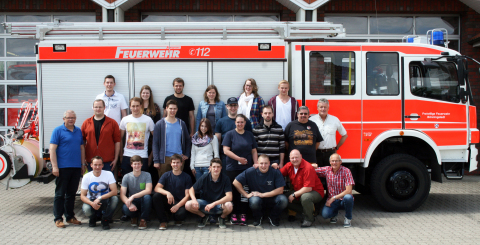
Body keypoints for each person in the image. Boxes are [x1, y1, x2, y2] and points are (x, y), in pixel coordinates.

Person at [50, 110, 84, 228]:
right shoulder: (58, 131)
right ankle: (58, 218)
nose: (71, 119)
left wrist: (82, 164)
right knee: (60, 194)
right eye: (68, 117)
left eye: (73, 118)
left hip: (75, 167)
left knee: (71, 194)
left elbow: (82, 148)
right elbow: (52, 149)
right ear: (63, 118)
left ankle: (70, 217)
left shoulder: (78, 131)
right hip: (62, 168)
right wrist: (54, 166)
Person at [222, 114, 258, 226]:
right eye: (238, 122)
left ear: (245, 123)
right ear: (235, 123)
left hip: (246, 168)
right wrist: (238, 159)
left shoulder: (249, 135)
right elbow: (225, 151)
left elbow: (254, 151)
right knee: (233, 192)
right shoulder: (230, 134)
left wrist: (256, 163)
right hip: (232, 168)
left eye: (242, 122)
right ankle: (233, 214)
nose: (240, 124)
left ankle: (243, 214)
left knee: (244, 192)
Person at [232, 155, 287, 226]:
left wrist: (262, 195)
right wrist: (246, 194)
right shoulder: (251, 171)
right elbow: (235, 182)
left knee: (283, 200)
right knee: (254, 201)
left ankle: (273, 217)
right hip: (257, 198)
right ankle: (258, 217)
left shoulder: (275, 171)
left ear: (269, 163)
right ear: (257, 163)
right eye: (261, 163)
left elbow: (280, 190)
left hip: (272, 198)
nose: (263, 166)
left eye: (266, 163)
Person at [280, 149, 324, 227]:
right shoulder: (288, 165)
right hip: (300, 191)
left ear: (301, 157)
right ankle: (308, 212)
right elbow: (278, 175)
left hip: (315, 192)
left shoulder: (308, 167)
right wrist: (271, 169)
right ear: (289, 158)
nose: (294, 160)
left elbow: (308, 188)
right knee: (282, 199)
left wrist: (294, 194)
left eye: (296, 157)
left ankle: (309, 219)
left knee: (305, 197)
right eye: (292, 158)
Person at [185, 158, 233, 229]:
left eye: (218, 167)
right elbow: (191, 189)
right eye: (214, 167)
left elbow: (229, 197)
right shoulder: (204, 177)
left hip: (219, 206)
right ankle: (203, 217)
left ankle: (222, 218)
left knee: (229, 205)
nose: (216, 169)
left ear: (221, 168)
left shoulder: (225, 179)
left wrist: (214, 204)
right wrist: (194, 199)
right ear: (210, 168)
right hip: (206, 205)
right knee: (188, 205)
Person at [152, 154, 192, 230]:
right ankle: (163, 221)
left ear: (181, 163)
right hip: (168, 201)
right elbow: (157, 188)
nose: (175, 164)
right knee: (156, 196)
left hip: (179, 203)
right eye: (173, 162)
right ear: (171, 164)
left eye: (177, 162)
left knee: (181, 215)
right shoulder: (166, 175)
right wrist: (167, 193)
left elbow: (187, 196)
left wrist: (177, 206)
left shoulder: (187, 177)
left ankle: (176, 218)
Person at [153, 100, 191, 179]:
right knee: (164, 183)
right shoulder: (160, 124)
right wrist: (156, 160)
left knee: (177, 182)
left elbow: (187, 140)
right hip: (164, 158)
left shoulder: (181, 124)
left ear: (177, 109)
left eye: (174, 109)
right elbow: (155, 143)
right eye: (170, 108)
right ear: (166, 109)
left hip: (179, 157)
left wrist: (187, 154)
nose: (172, 111)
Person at [316, 153, 355, 228]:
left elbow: (349, 191)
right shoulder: (327, 170)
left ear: (340, 162)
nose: (334, 163)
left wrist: (333, 198)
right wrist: (311, 165)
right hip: (333, 201)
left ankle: (348, 218)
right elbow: (313, 170)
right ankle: (334, 214)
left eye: (336, 161)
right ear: (330, 162)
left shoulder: (346, 171)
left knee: (348, 197)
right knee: (325, 215)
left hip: (342, 199)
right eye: (332, 161)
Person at [81, 99, 121, 172]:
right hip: (91, 162)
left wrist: (116, 159)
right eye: (96, 107)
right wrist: (83, 160)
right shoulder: (86, 123)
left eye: (100, 107)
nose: (98, 109)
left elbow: (117, 142)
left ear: (104, 108)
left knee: (107, 183)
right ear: (93, 108)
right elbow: (82, 143)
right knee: (92, 183)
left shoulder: (112, 123)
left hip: (107, 161)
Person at [80, 156, 119, 230]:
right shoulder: (86, 177)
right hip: (91, 201)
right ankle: (93, 218)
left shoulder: (108, 174)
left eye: (99, 165)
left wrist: (99, 198)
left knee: (115, 199)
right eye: (95, 165)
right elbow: (82, 196)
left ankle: (105, 219)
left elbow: (114, 192)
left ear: (102, 165)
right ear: (91, 165)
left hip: (104, 199)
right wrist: (92, 204)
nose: (97, 167)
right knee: (86, 209)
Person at [119, 97, 155, 175]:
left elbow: (156, 139)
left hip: (143, 156)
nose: (135, 108)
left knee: (142, 183)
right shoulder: (125, 120)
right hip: (127, 155)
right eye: (133, 106)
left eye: (137, 106)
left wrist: (151, 156)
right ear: (130, 107)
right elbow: (120, 139)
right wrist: (121, 155)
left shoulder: (148, 120)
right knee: (127, 181)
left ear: (141, 106)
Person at [215, 97, 252, 167]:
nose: (233, 108)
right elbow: (218, 141)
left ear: (238, 106)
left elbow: (250, 140)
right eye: (231, 105)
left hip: (243, 158)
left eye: (235, 105)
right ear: (227, 106)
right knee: (227, 178)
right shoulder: (221, 122)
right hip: (226, 157)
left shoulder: (246, 122)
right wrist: (217, 156)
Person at [310, 98, 348, 167]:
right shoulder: (311, 120)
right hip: (316, 153)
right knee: (317, 175)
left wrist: (337, 147)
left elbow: (344, 135)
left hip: (330, 154)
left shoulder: (334, 119)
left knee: (330, 175)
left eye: (325, 107)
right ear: (317, 108)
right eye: (321, 107)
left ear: (328, 108)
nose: (323, 109)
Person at [120, 155, 152, 230]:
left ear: (141, 164)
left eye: (138, 163)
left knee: (147, 197)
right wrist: (129, 203)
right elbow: (122, 194)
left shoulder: (147, 175)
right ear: (131, 165)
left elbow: (148, 190)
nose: (137, 166)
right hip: (133, 201)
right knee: (125, 208)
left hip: (143, 200)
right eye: (135, 164)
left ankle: (143, 220)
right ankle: (134, 217)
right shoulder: (126, 176)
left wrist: (133, 196)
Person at [140, 85, 162, 184]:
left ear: (150, 94)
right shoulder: (137, 106)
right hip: (139, 140)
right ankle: (142, 187)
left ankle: (153, 188)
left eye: (147, 93)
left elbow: (157, 126)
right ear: (141, 94)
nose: (145, 94)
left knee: (152, 165)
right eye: (143, 93)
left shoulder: (155, 107)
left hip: (152, 140)